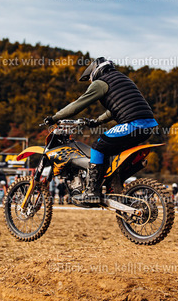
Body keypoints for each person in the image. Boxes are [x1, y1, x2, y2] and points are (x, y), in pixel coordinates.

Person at [44, 57, 158, 203]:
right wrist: (97, 121)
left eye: (90, 78)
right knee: (110, 151)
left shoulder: (100, 83)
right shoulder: (122, 79)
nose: (90, 82)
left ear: (95, 71)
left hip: (133, 124)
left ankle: (92, 191)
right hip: (149, 126)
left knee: (98, 145)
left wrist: (54, 117)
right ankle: (114, 184)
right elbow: (115, 109)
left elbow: (77, 105)